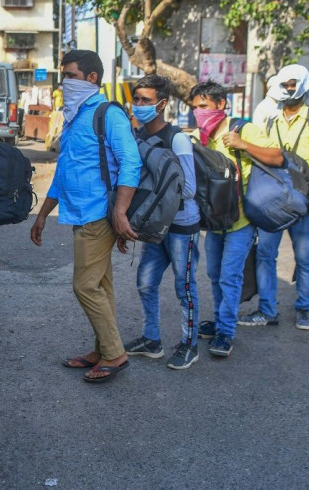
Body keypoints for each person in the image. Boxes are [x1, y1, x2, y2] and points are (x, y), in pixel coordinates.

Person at [30, 50, 142, 383]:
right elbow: (65, 170)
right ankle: (102, 349)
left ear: (92, 78)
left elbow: (131, 163)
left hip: (99, 214)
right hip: (79, 213)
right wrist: (42, 214)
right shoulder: (76, 115)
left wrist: (121, 211)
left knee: (84, 286)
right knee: (101, 286)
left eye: (72, 76)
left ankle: (114, 354)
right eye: (63, 75)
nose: (65, 82)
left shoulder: (109, 114)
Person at [239, 64, 309, 330]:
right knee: (264, 254)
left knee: (304, 257)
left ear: (305, 85)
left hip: (306, 202)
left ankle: (304, 308)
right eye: (286, 84)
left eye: (295, 83)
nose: (290, 89)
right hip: (276, 201)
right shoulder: (271, 119)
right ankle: (267, 310)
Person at [191, 81, 283, 356]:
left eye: (204, 106)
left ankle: (225, 332)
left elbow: (278, 157)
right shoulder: (198, 135)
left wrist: (243, 145)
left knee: (230, 277)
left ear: (221, 105)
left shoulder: (241, 129)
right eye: (195, 107)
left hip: (240, 221)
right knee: (215, 275)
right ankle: (221, 319)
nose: (199, 112)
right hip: (212, 222)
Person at [119, 75, 201, 369]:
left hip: (181, 226)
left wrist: (157, 194)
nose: (139, 105)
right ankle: (151, 339)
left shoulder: (177, 139)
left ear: (162, 104)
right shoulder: (136, 136)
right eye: (136, 99)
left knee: (185, 287)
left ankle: (190, 345)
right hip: (153, 227)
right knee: (145, 283)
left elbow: (189, 189)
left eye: (146, 100)